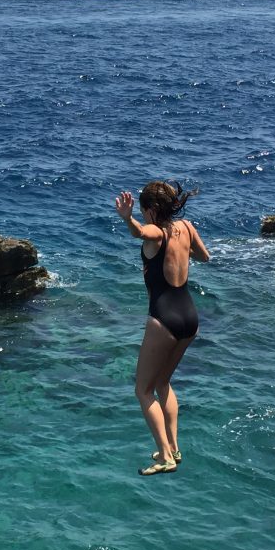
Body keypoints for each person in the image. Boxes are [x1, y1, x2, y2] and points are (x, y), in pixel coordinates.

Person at [114, 181, 210, 476]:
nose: (143, 216)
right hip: (189, 317)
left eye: (143, 210)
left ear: (152, 210)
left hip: (164, 319)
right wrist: (182, 252)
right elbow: (204, 257)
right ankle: (174, 448)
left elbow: (143, 232)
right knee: (162, 384)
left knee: (143, 390)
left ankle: (165, 456)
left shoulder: (155, 232)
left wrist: (128, 219)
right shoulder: (187, 227)